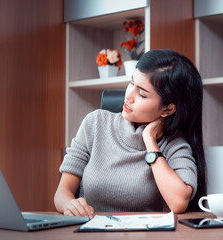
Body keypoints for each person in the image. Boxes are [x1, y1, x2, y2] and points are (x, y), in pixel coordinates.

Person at [54, 49, 207, 219]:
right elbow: (62, 193)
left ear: (167, 109)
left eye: (142, 94)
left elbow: (178, 202)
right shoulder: (95, 123)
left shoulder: (173, 143)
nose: (129, 96)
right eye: (131, 83)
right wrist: (70, 204)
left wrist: (150, 141)